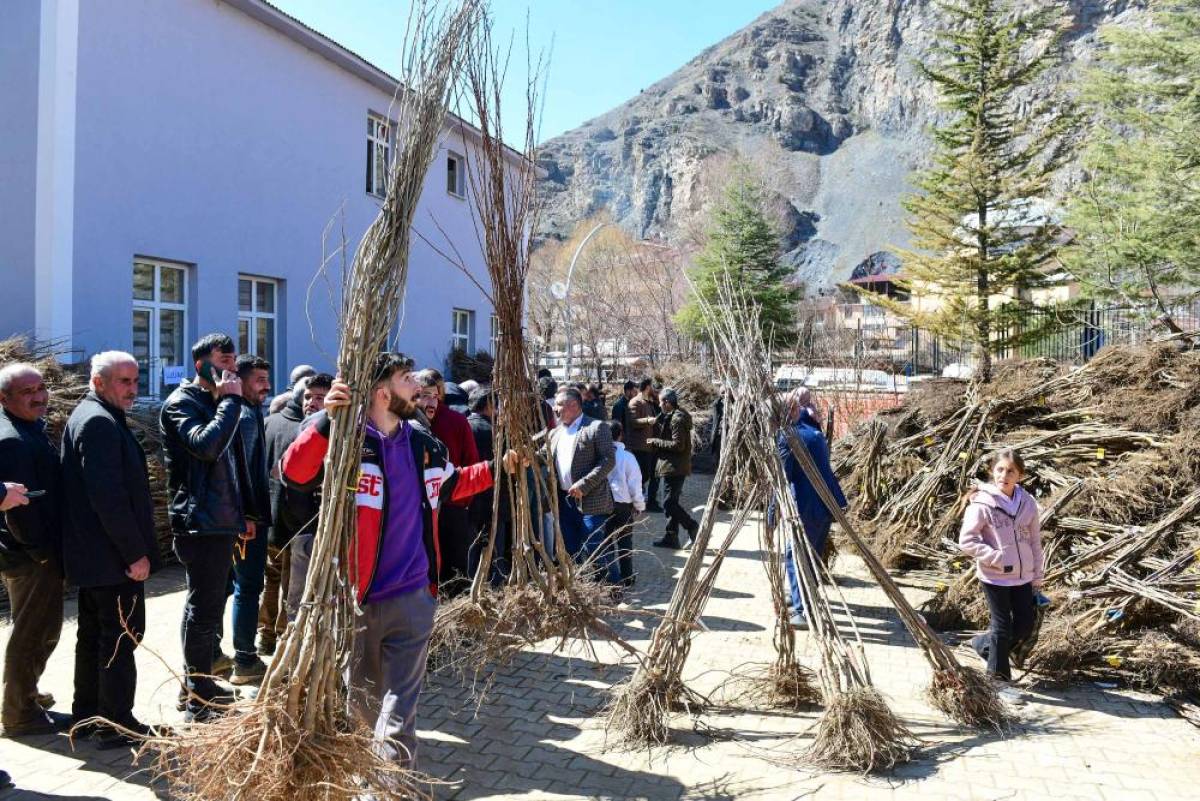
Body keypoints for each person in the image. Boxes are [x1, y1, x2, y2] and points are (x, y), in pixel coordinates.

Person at [280, 352, 514, 771]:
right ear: (383, 393)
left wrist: (500, 467)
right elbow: (293, 473)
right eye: (408, 379)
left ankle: (391, 786)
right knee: (364, 705)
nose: (418, 388)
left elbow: (452, 484)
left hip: (414, 595)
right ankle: (372, 775)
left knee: (399, 713)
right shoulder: (349, 442)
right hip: (358, 600)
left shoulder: (423, 443)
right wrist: (326, 421)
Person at [60, 352, 162, 747]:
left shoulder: (91, 415)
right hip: (112, 560)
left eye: (136, 381)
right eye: (124, 381)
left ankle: (87, 715)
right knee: (119, 639)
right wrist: (134, 554)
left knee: (95, 637)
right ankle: (115, 722)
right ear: (99, 382)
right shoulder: (98, 422)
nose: (133, 390)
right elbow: (109, 498)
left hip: (96, 558)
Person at [160, 333, 260, 721]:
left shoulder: (218, 402)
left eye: (233, 361)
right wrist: (232, 400)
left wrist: (245, 514)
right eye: (223, 361)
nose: (230, 369)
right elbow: (207, 446)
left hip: (221, 520)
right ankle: (196, 692)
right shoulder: (182, 403)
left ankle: (196, 685)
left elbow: (237, 463)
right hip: (198, 522)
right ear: (200, 362)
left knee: (209, 603)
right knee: (202, 607)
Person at [0, 363, 68, 737]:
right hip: (29, 557)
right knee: (32, 633)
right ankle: (18, 714)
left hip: (36, 553)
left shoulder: (28, 428)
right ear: (4, 398)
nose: (39, 396)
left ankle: (25, 696)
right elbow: (19, 510)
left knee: (44, 630)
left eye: (41, 388)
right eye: (27, 392)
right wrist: (41, 554)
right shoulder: (11, 439)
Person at [958, 449, 1044, 703]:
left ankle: (984, 646)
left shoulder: (1027, 503)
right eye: (999, 470)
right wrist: (996, 557)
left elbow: (1035, 541)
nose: (1004, 475)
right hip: (994, 576)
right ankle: (998, 682)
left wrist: (1037, 574)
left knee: (1025, 624)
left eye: (1010, 471)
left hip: (1023, 576)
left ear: (1020, 475)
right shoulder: (983, 503)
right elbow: (967, 541)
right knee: (1002, 626)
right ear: (992, 471)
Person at [261, 373, 330, 644]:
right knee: (291, 592)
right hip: (292, 526)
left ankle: (276, 638)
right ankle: (281, 642)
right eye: (308, 397)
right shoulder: (300, 431)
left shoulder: (333, 437)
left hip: (309, 527)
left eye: (319, 398)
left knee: (290, 588)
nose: (311, 403)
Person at [777, 388, 846, 629]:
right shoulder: (815, 435)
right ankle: (803, 598)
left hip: (805, 508)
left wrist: (771, 514)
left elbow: (782, 479)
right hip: (825, 506)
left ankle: (802, 610)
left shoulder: (789, 437)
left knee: (796, 556)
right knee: (807, 555)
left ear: (790, 411)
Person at [414, 369, 480, 597]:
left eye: (434, 395)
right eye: (422, 395)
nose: (429, 401)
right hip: (416, 510)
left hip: (451, 506)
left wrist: (459, 501)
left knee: (455, 567)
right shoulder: (403, 424)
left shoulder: (457, 422)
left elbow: (471, 462)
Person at [228, 355, 273, 685]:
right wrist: (246, 516)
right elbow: (237, 473)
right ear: (240, 380)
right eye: (258, 379)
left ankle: (218, 655)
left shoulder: (250, 412)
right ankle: (244, 659)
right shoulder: (243, 416)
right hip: (247, 522)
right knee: (247, 587)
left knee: (232, 587)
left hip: (243, 518)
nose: (266, 386)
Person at [546, 387, 616, 582]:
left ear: (574, 405)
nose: (555, 409)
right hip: (564, 501)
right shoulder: (556, 433)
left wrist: (583, 485)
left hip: (591, 500)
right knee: (570, 547)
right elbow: (542, 456)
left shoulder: (596, 427)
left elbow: (608, 460)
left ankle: (612, 587)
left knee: (594, 546)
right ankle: (578, 587)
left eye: (559, 405)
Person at [648, 388, 698, 550]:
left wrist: (656, 441)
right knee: (672, 503)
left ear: (667, 403)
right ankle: (671, 537)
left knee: (668, 504)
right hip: (673, 465)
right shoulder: (673, 415)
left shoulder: (677, 419)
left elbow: (678, 445)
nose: (659, 405)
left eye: (661, 402)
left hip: (675, 466)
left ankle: (691, 525)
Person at [465, 388, 506, 583]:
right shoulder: (495, 431)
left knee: (472, 545)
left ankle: (472, 584)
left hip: (468, 494)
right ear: (489, 405)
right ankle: (495, 585)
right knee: (494, 545)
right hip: (494, 496)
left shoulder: (464, 426)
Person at [604, 420, 644, 587]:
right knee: (625, 541)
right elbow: (635, 484)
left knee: (605, 542)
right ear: (620, 434)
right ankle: (627, 576)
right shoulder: (628, 457)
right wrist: (639, 505)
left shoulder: (599, 455)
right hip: (623, 505)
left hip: (602, 504)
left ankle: (608, 576)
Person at [627, 379, 663, 512]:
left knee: (655, 475)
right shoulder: (635, 402)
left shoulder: (650, 402)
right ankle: (636, 502)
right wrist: (648, 421)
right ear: (647, 387)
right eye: (652, 387)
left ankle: (651, 502)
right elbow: (633, 421)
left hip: (652, 446)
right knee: (642, 476)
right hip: (640, 447)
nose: (655, 389)